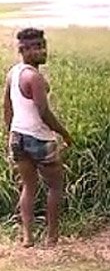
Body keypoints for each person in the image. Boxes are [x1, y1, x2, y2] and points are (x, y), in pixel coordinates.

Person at [3, 28, 73, 247]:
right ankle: (52, 238)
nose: (43, 51)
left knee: (28, 186)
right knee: (54, 186)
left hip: (18, 136)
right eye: (37, 47)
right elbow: (44, 112)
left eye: (43, 45)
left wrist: (10, 132)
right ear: (23, 50)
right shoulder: (34, 77)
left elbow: (6, 105)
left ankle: (28, 237)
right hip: (39, 139)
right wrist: (65, 134)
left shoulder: (14, 72)